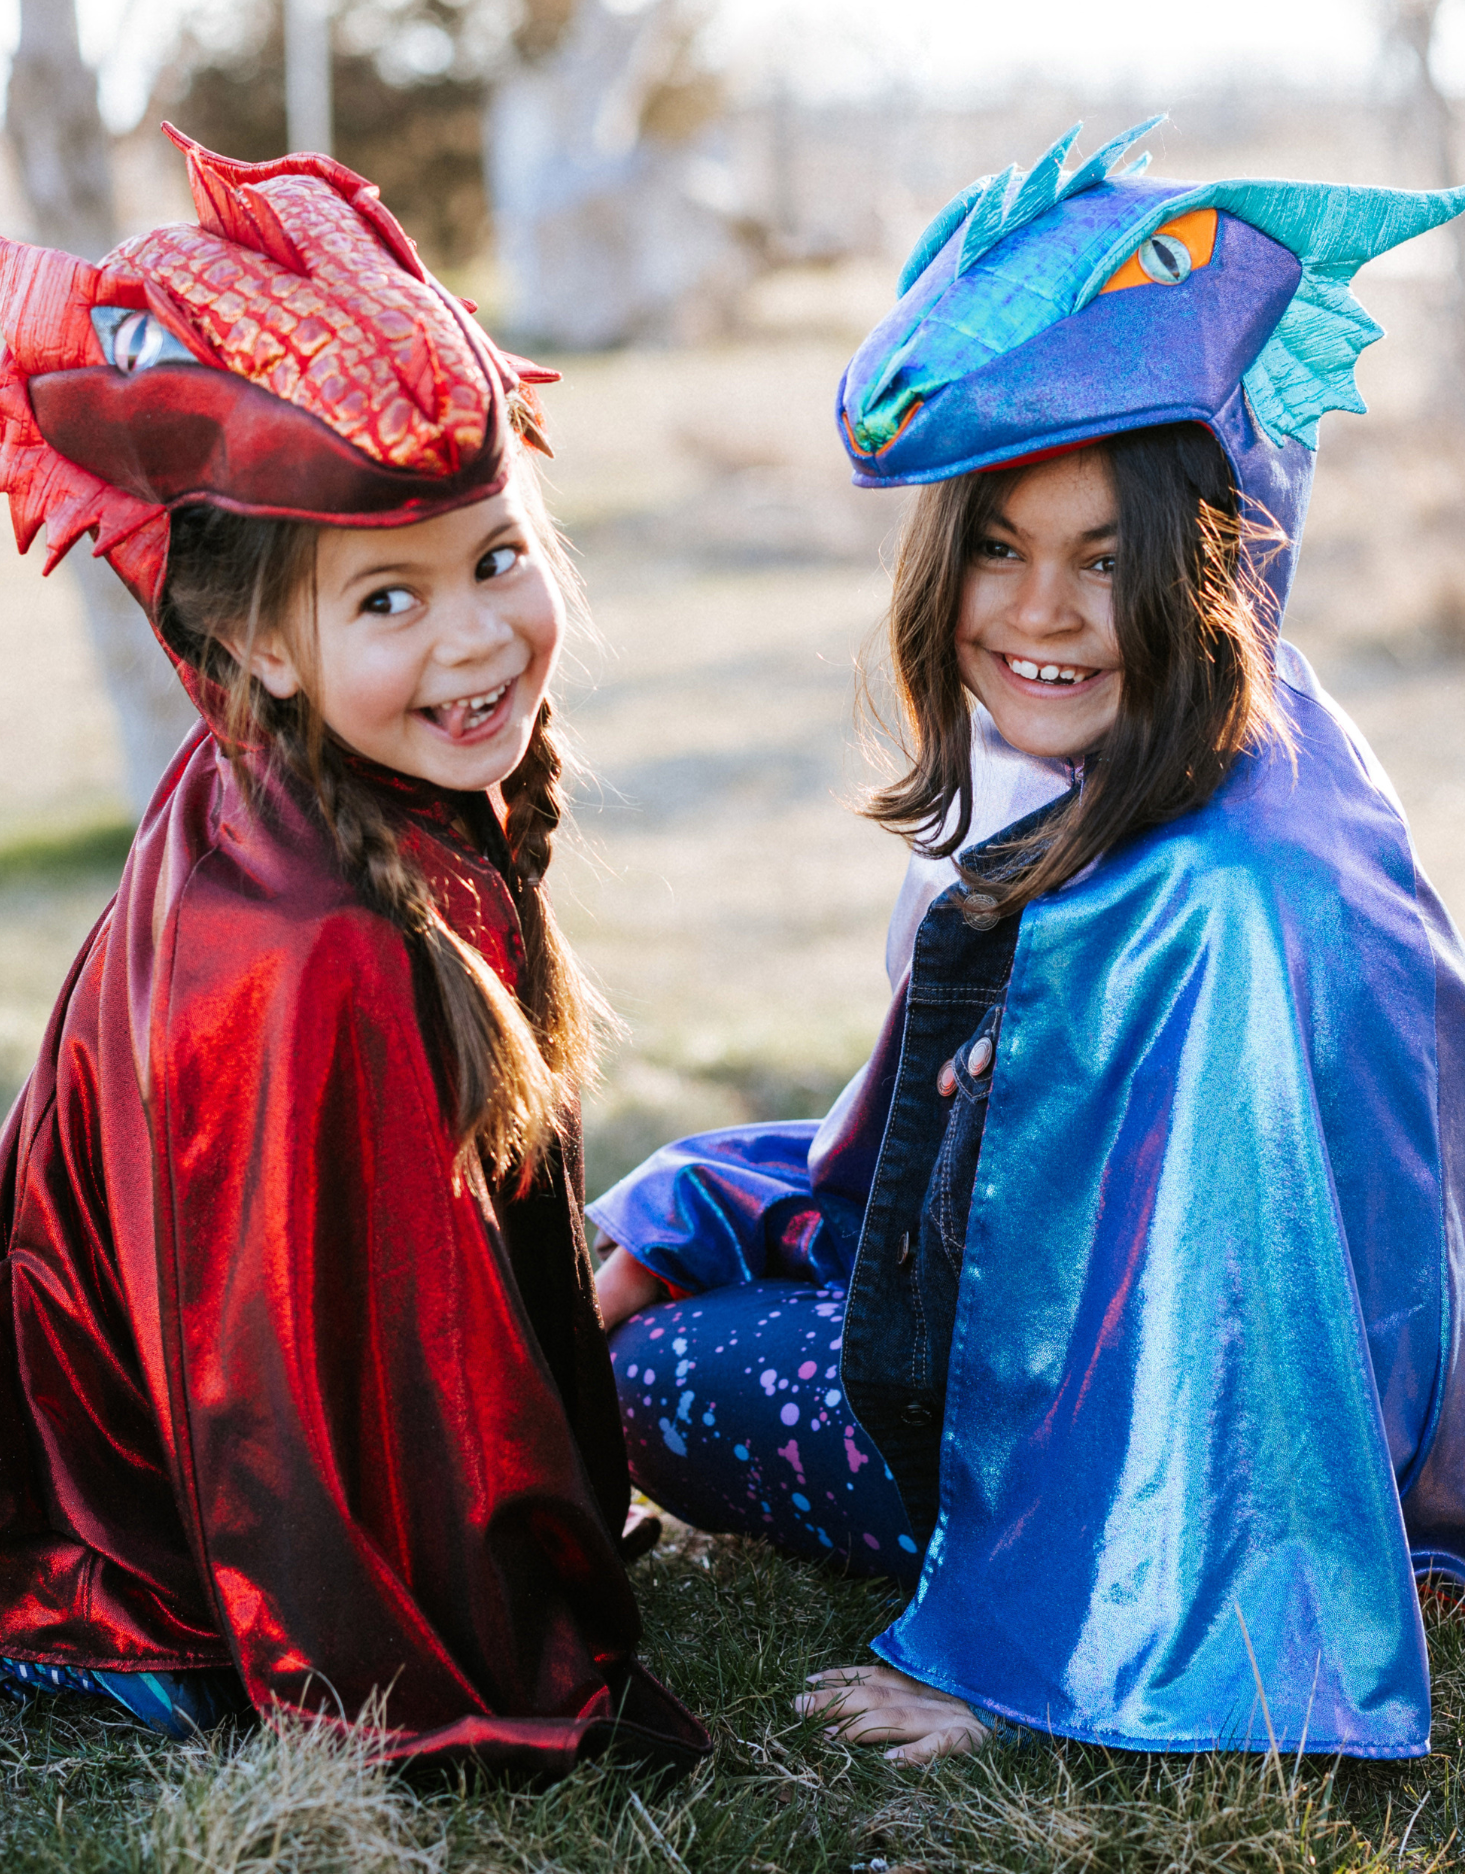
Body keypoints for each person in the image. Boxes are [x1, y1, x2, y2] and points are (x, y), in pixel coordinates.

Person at [590, 118, 1465, 1763]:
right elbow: (925, 1173)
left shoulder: (1225, 901)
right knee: (635, 1290)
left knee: (663, 1382)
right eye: (1000, 544)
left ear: (1214, 569)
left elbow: (1229, 1358)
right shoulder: (1167, 772)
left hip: (1115, 1434)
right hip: (1015, 1336)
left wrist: (1030, 1661)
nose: (1040, 612)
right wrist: (684, 1211)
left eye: (1110, 562)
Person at [0, 129, 706, 1777]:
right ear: (253, 638)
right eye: (386, 600)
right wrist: (468, 1665)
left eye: (497, 556)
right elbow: (297, 1358)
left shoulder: (358, 785)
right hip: (153, 1528)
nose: (474, 634)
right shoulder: (304, 935)